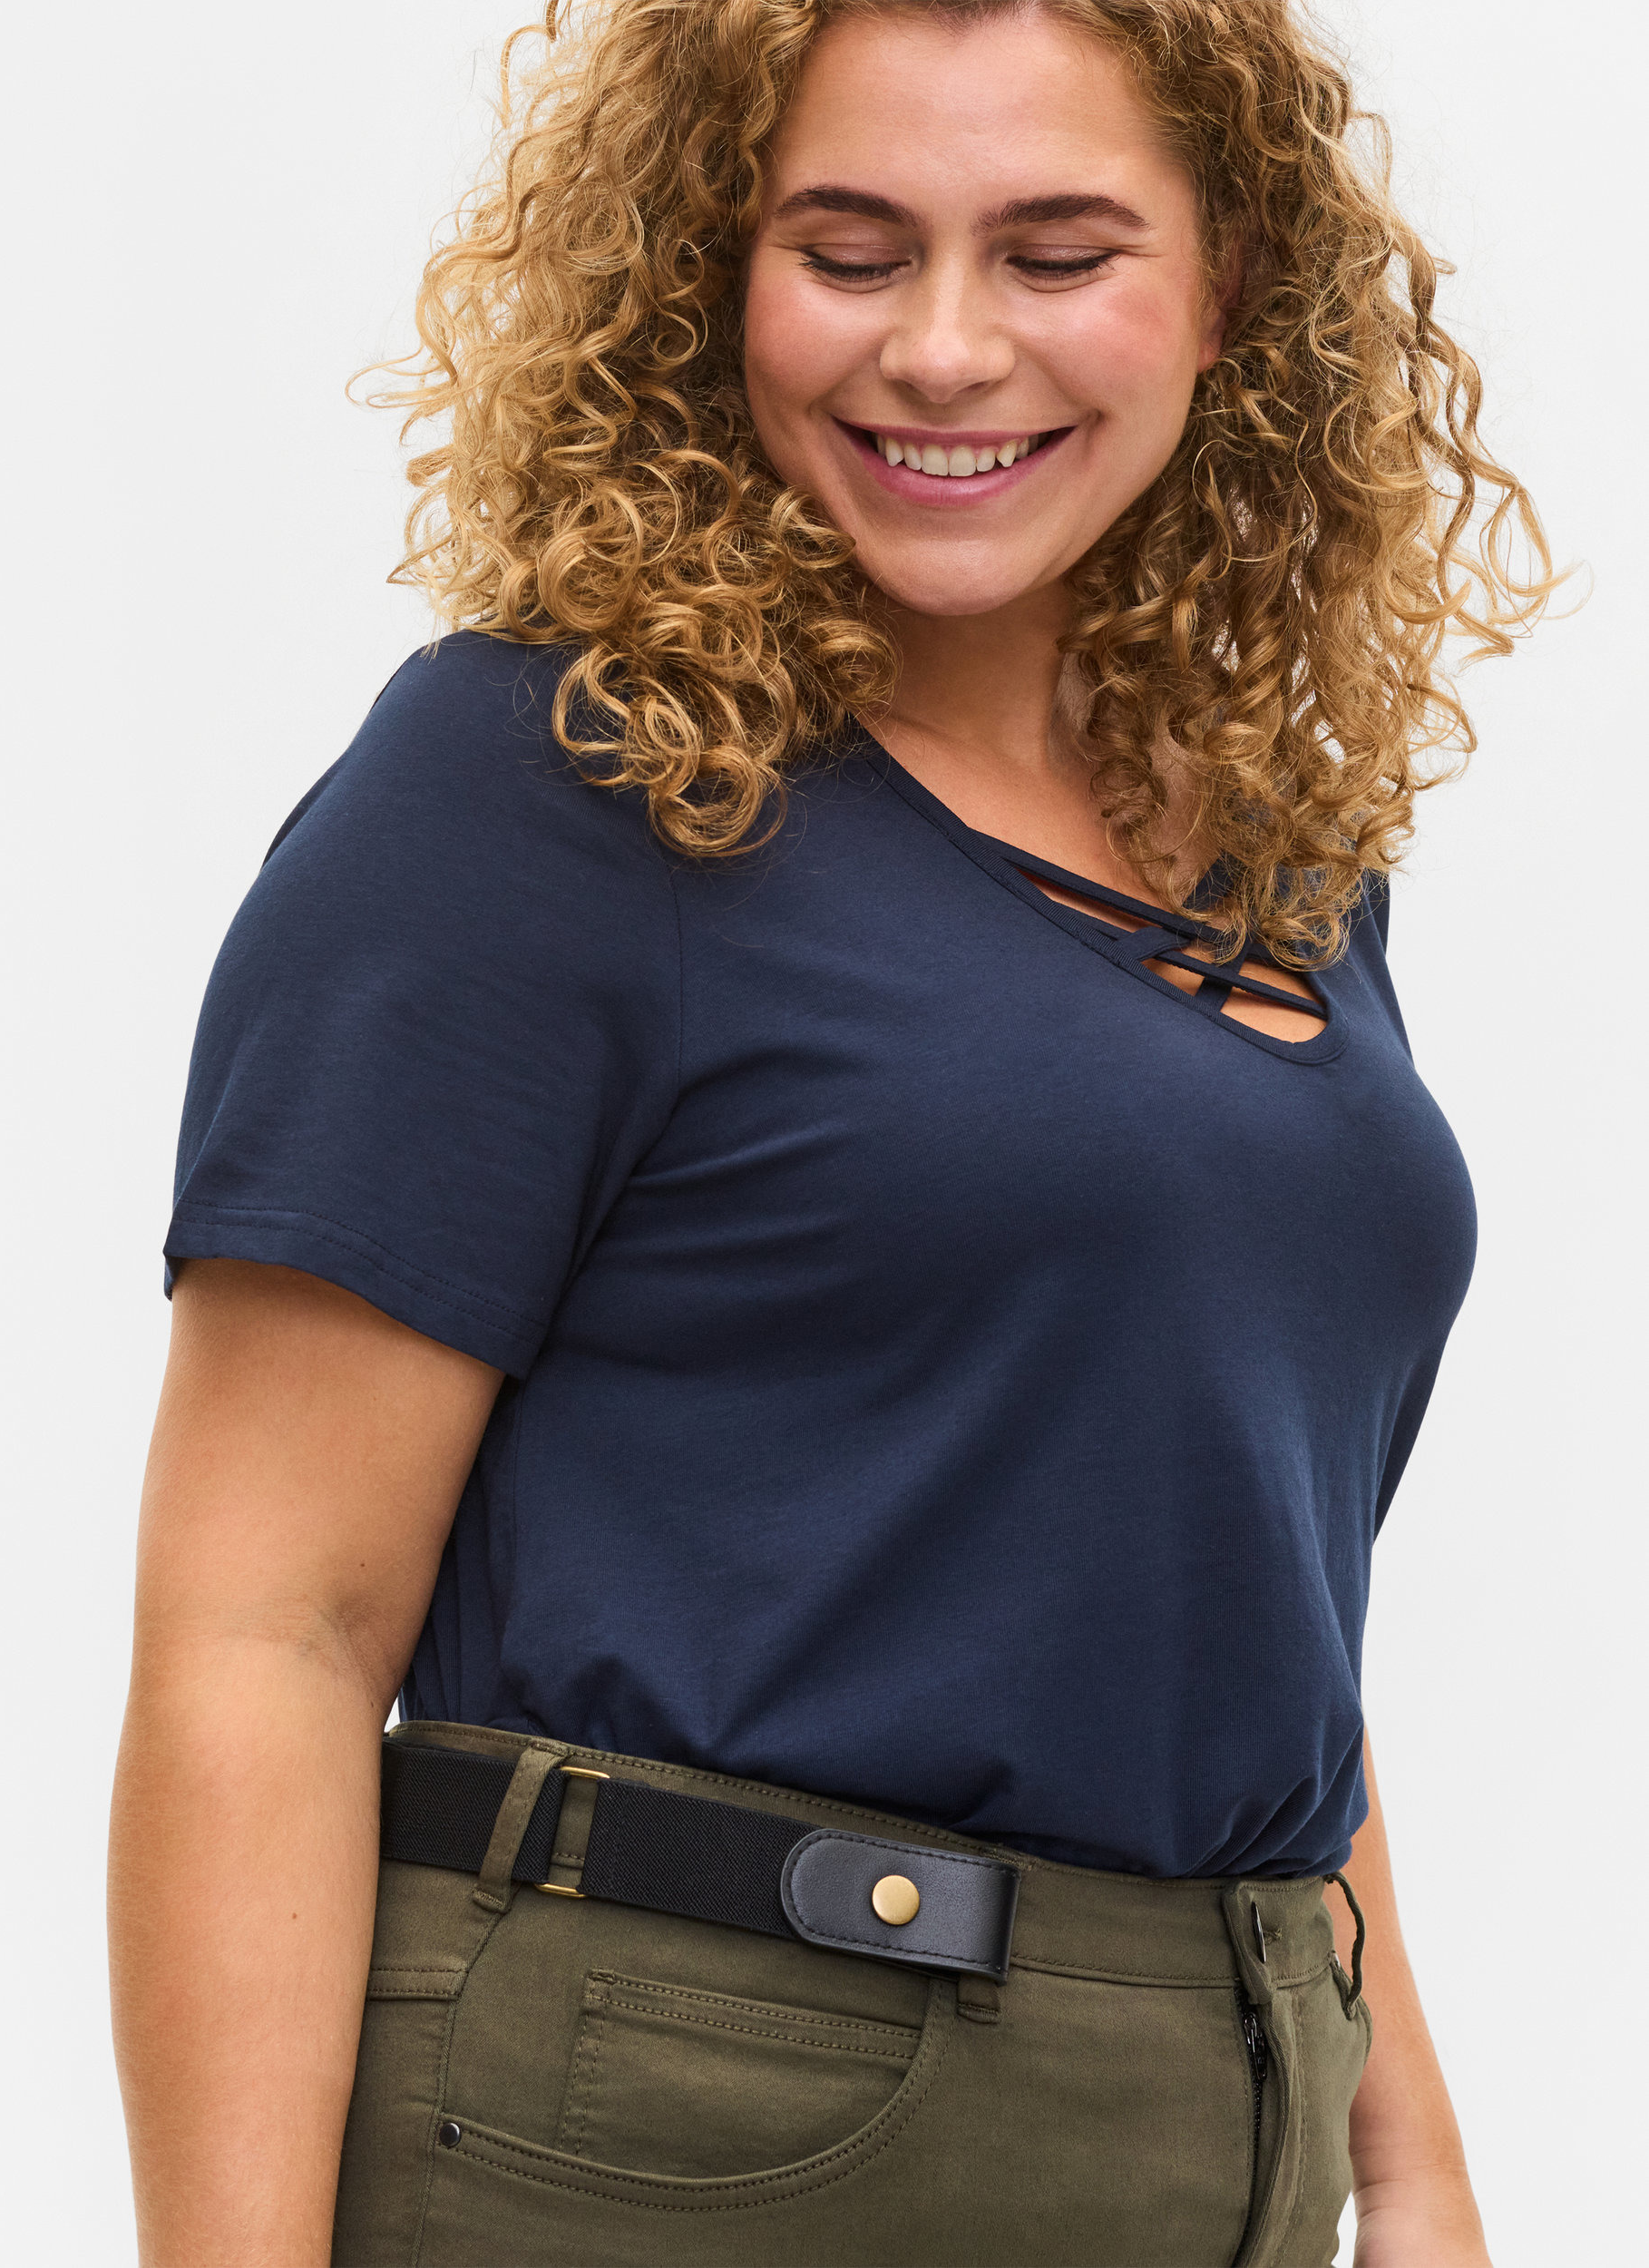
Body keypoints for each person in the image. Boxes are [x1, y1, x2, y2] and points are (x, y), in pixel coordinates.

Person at [107, 3, 1553, 2263]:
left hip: (1221, 2115)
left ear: (1230, 290)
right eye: (849, 251)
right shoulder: (545, 788)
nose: (944, 348)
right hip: (677, 2134)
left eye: (1056, 253)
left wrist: (1406, 2162)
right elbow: (263, 1632)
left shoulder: (1276, 863)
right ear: (715, 277)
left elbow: (1231, 1586)